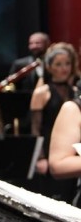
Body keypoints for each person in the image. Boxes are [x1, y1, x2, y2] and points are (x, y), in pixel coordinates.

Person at [30, 42, 81, 202]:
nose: (64, 68)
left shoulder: (74, 91)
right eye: (58, 64)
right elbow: (35, 128)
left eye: (67, 64)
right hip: (49, 146)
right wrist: (40, 158)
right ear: (49, 67)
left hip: (72, 146)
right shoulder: (42, 92)